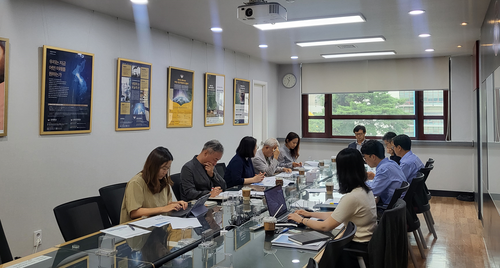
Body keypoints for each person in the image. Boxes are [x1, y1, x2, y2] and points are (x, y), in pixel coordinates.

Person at [288, 148, 377, 267]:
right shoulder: (364, 190)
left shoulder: (353, 197)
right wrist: (310, 214)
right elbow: (337, 216)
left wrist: (301, 220)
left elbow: (326, 226)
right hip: (366, 242)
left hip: (355, 247)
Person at [120, 147, 188, 223]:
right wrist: (164, 208)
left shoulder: (162, 181)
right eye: (164, 168)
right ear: (153, 167)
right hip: (138, 227)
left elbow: (164, 203)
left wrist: (175, 204)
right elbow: (134, 212)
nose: (165, 172)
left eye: (168, 168)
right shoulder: (136, 183)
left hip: (159, 224)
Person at [361, 140, 406, 209]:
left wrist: (359, 182)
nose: (365, 161)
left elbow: (373, 191)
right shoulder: (391, 163)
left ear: (373, 157)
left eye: (365, 158)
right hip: (398, 205)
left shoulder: (384, 169)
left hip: (390, 207)